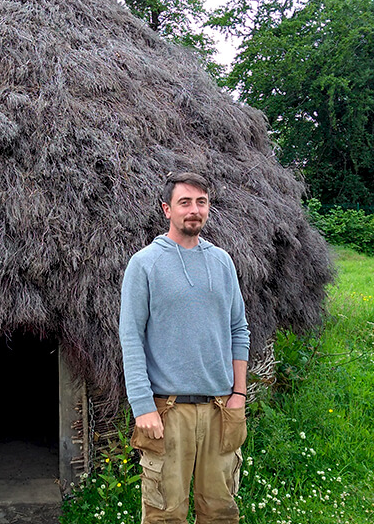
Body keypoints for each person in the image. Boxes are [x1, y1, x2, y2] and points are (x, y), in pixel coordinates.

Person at [119, 172, 250, 523]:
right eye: (185, 202)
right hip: (168, 412)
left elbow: (239, 329)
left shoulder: (222, 262)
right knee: (165, 514)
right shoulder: (144, 264)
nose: (194, 210)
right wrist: (142, 406)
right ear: (167, 209)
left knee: (221, 512)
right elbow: (130, 337)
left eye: (202, 202)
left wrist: (239, 394)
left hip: (221, 410)